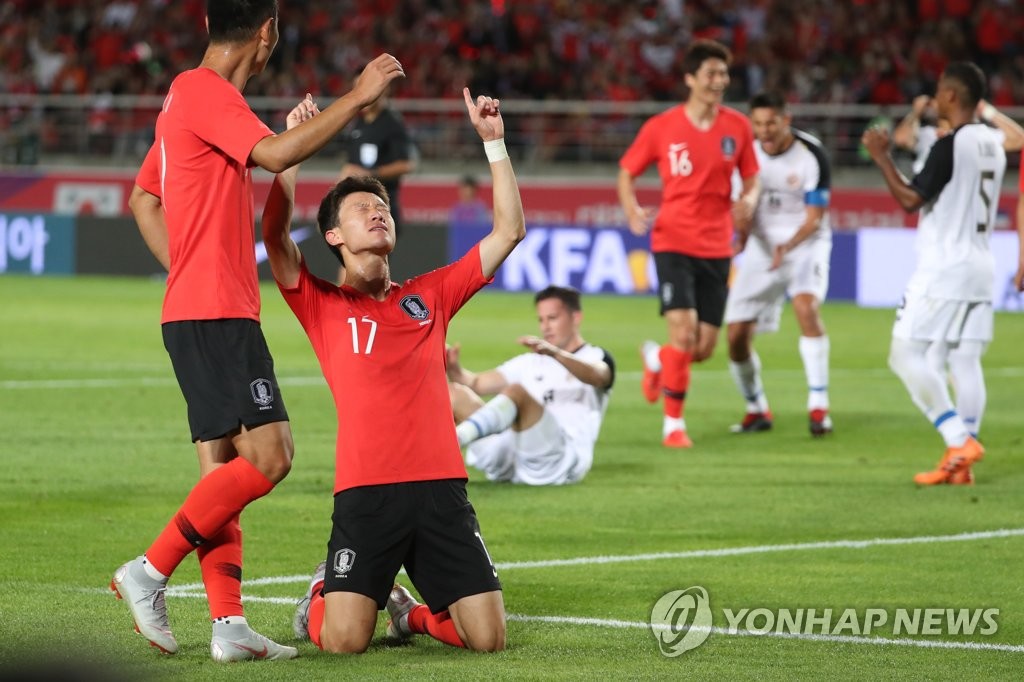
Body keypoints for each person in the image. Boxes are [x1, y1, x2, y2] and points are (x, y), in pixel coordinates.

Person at [110, 0, 405, 662]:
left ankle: (228, 626)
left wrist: (186, 269)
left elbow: (143, 199)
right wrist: (357, 95)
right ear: (267, 33)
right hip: (216, 312)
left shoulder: (187, 102)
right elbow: (271, 151)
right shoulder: (202, 91)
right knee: (271, 456)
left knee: (222, 474)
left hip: (198, 306)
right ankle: (148, 571)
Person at [262, 87, 523, 654]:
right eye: (361, 209)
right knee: (342, 642)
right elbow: (276, 238)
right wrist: (291, 157)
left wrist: (495, 146)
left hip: (440, 489)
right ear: (334, 236)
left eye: (381, 207)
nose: (377, 211)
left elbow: (508, 233)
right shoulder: (321, 304)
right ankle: (320, 589)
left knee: (489, 638)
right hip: (366, 492)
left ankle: (406, 617)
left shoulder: (431, 295)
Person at [861, 61, 1004, 486]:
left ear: (952, 96)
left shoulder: (949, 145)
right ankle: (960, 464)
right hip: (980, 265)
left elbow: (909, 200)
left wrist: (882, 159)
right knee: (964, 358)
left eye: (940, 91)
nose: (936, 97)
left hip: (945, 268)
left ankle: (958, 438)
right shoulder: (994, 143)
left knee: (903, 355)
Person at [617, 38, 760, 448]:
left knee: (701, 349)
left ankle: (656, 359)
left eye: (724, 73)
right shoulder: (662, 127)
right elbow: (627, 171)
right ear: (690, 78)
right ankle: (673, 426)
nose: (720, 81)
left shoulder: (738, 127)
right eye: (712, 73)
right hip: (673, 241)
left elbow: (751, 176)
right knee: (683, 334)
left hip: (717, 246)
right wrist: (631, 210)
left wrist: (748, 200)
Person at [723, 91, 833, 437]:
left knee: (805, 307)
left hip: (806, 243)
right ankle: (756, 407)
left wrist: (787, 246)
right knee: (736, 334)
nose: (764, 130)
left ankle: (819, 407)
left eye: (771, 122)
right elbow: (740, 205)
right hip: (761, 247)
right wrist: (740, 235)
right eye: (757, 123)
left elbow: (815, 217)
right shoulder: (746, 152)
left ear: (786, 120)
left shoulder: (811, 154)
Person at [445, 285, 614, 486]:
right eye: (541, 320)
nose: (545, 327)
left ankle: (452, 442)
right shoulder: (531, 360)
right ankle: (424, 461)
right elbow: (475, 383)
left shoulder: (595, 357)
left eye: (552, 318)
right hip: (511, 456)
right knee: (453, 393)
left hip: (558, 459)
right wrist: (453, 368)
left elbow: (599, 376)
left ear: (575, 317)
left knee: (517, 392)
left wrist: (554, 353)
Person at [336, 78, 416, 283]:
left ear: (384, 89)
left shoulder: (392, 123)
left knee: (364, 268)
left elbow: (407, 164)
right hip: (356, 209)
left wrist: (369, 173)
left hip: (380, 209)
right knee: (352, 265)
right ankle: (349, 312)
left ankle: (348, 312)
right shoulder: (358, 124)